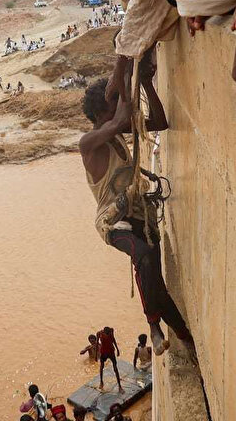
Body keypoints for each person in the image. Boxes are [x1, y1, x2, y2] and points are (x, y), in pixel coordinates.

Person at [80, 67, 191, 357]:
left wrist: (144, 84)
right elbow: (118, 120)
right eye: (113, 103)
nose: (119, 107)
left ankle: (184, 337)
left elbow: (160, 121)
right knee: (141, 255)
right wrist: (126, 79)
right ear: (103, 112)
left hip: (139, 215)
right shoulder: (89, 143)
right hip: (113, 223)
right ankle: (153, 327)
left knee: (157, 283)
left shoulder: (115, 131)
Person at [97, 327, 123, 392]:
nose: (109, 334)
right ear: (104, 332)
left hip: (111, 351)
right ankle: (101, 382)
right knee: (101, 367)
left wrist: (117, 349)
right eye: (107, 334)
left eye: (109, 333)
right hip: (103, 352)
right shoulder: (99, 333)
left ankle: (119, 386)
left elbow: (113, 340)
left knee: (115, 368)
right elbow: (97, 343)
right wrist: (95, 356)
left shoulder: (111, 331)